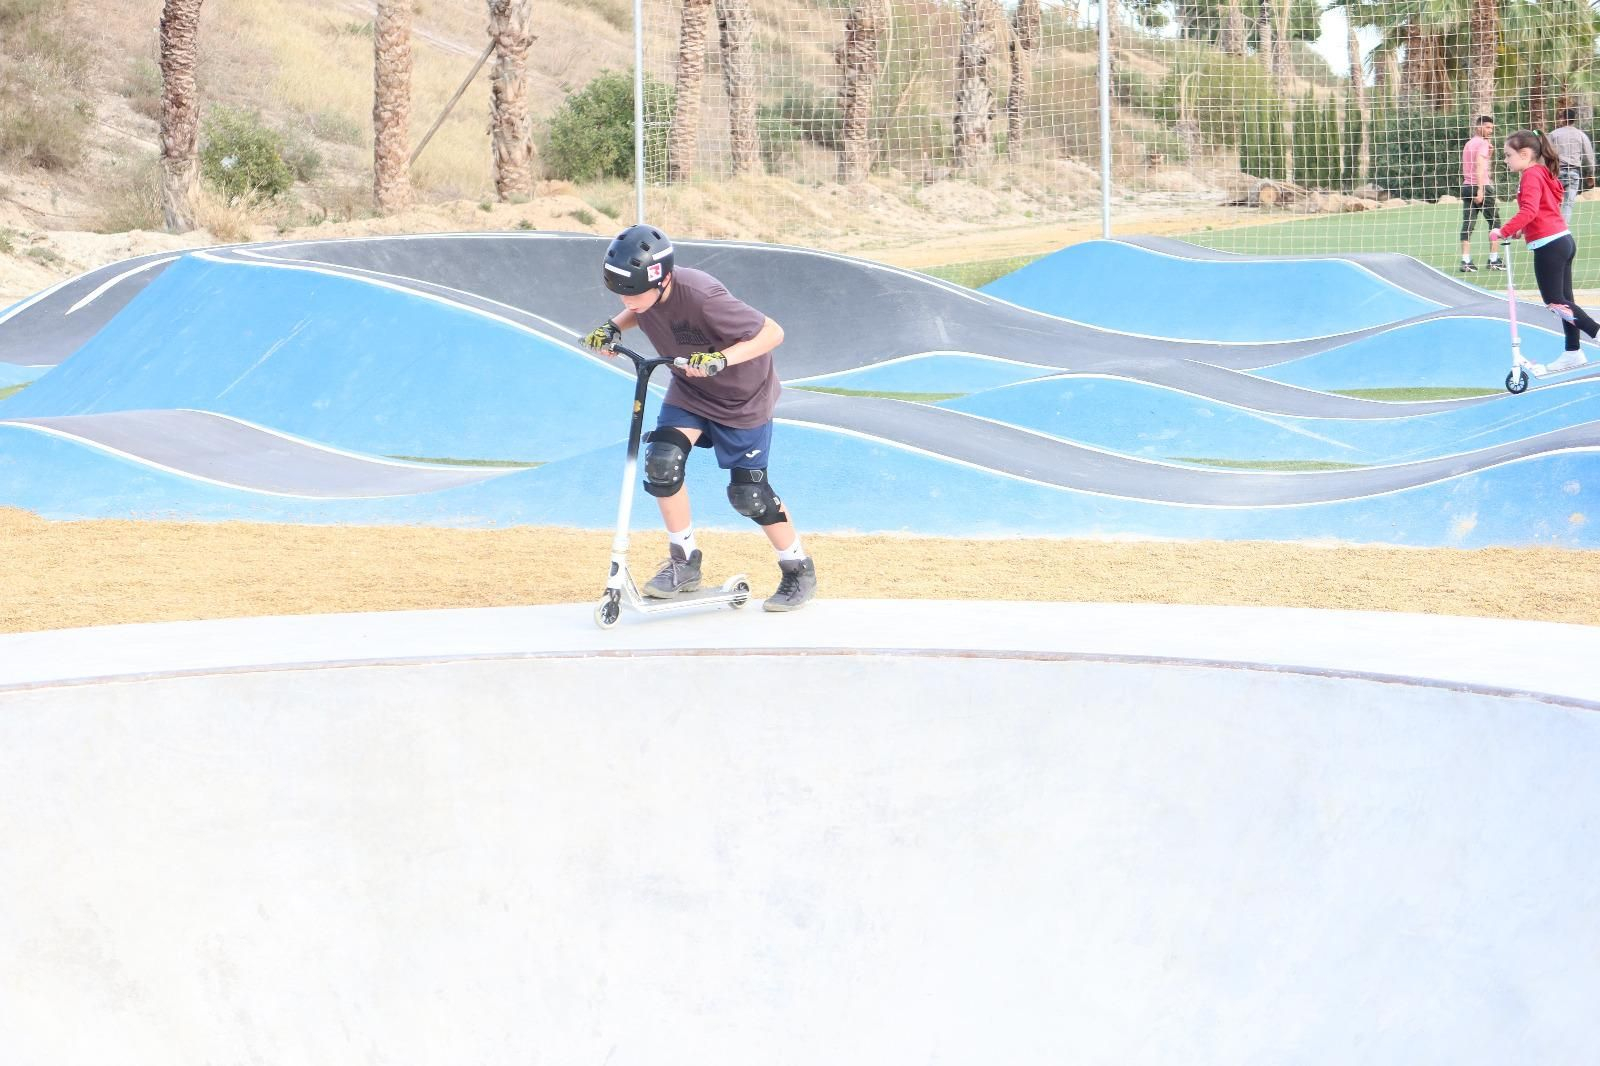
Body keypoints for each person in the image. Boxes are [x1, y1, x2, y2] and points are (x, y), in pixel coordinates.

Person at [584, 224, 818, 612]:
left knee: (750, 496)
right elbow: (638, 308)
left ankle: (798, 569)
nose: (628, 301)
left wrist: (721, 359)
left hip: (743, 398)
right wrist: (612, 327)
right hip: (691, 392)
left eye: (634, 293)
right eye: (621, 294)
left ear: (663, 280)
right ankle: (684, 563)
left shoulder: (704, 297)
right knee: (662, 463)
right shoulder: (645, 297)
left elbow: (773, 333)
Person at [1491, 130, 1598, 375]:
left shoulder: (1530, 175)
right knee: (1565, 301)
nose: (1505, 160)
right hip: (1562, 240)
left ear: (1524, 154)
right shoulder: (1542, 172)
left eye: (1508, 155)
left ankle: (1596, 332)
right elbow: (1544, 207)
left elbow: (1529, 210)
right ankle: (1573, 352)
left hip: (1550, 244)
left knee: (1555, 301)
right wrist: (1522, 229)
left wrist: (1504, 230)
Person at [1460, 115, 1504, 273]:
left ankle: (1466, 261)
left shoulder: (1469, 144)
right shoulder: (1483, 143)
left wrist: (1489, 154)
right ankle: (1494, 260)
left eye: (1491, 128)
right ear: (1478, 127)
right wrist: (1480, 189)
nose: (1490, 130)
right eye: (1487, 127)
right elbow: (1479, 166)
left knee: (1468, 224)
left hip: (1466, 187)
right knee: (1495, 223)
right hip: (1482, 186)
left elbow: (1473, 164)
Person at [1548, 108, 1596, 223]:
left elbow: (1546, 153)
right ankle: (1563, 229)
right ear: (1574, 119)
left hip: (1556, 173)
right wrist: (1591, 173)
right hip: (1574, 173)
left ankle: (1551, 227)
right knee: (1568, 205)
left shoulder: (1554, 134)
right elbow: (1589, 156)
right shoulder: (1580, 135)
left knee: (1553, 203)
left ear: (1563, 119)